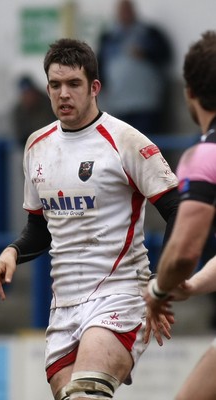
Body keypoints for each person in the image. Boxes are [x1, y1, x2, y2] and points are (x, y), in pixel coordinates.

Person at [0, 38, 178, 400]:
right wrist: (12, 251)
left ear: (94, 87)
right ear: (46, 88)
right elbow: (40, 228)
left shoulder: (126, 140)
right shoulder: (36, 145)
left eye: (74, 84)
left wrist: (160, 285)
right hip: (64, 307)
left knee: (85, 394)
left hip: (119, 295)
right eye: (55, 85)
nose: (63, 94)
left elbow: (178, 209)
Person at [144, 31, 216, 400]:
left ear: (189, 92)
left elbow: (185, 249)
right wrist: (193, 285)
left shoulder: (204, 156)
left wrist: (159, 289)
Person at [97, 0, 173, 135]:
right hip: (117, 105)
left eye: (128, 10)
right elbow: (99, 66)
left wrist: (146, 53)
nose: (125, 14)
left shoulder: (150, 33)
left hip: (146, 105)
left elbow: (164, 56)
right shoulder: (108, 37)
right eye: (122, 11)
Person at [12, 75, 55, 148]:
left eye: (30, 93)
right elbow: (19, 136)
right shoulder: (19, 111)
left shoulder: (48, 102)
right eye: (25, 94)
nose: (28, 96)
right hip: (32, 145)